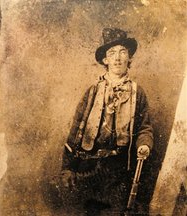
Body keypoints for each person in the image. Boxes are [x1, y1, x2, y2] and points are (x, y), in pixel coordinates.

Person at [57, 28, 154, 214]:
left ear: (129, 58)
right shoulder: (93, 91)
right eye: (112, 53)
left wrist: (144, 145)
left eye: (122, 52)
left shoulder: (137, 93)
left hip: (119, 170)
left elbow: (145, 128)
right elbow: (76, 130)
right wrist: (68, 168)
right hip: (89, 168)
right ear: (105, 60)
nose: (117, 58)